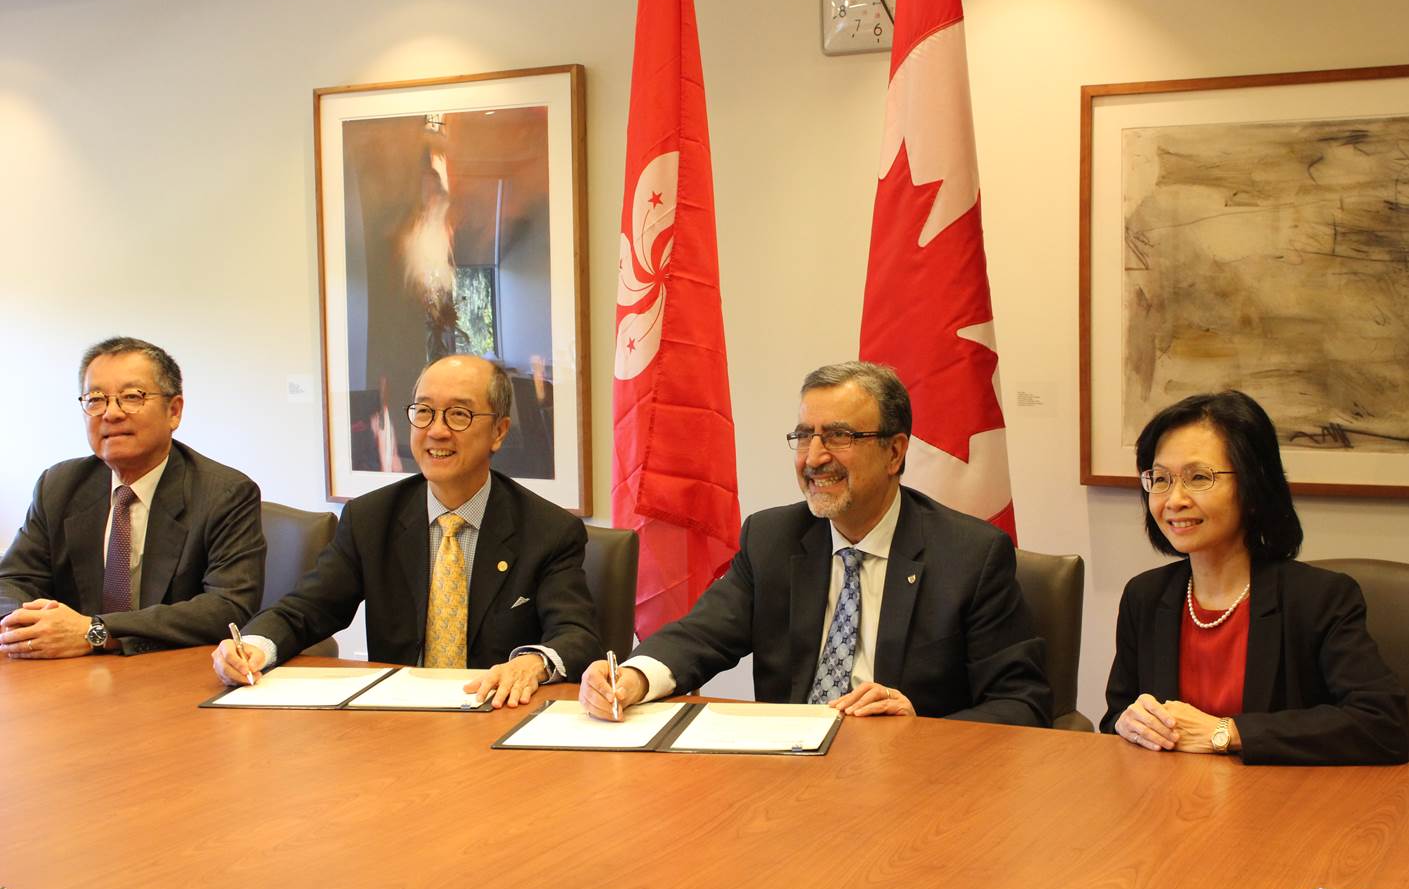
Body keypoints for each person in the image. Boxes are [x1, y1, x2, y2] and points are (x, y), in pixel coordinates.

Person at [578, 361, 1052, 725]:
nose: (814, 458)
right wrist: (633, 677)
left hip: (911, 783)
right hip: (788, 776)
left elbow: (1022, 702)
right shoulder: (772, 538)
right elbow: (701, 635)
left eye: (839, 436)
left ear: (894, 452)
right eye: (805, 437)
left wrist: (919, 726)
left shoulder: (970, 556)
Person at [211, 355, 600, 708]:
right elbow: (307, 609)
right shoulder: (371, 518)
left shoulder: (548, 530)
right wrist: (254, 646)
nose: (437, 431)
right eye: (424, 412)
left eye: (459, 415)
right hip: (397, 718)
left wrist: (532, 664)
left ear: (499, 432)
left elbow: (576, 634)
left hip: (494, 713)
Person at [1103, 390, 1408, 765]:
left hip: (1281, 797)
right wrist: (1129, 723)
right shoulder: (1145, 596)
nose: (1174, 499)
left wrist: (1226, 733)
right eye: (1161, 479)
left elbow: (1382, 724)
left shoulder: (1320, 599)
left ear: (1252, 486)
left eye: (1198, 477)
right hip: (1170, 796)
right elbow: (1116, 716)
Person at [0, 337, 265, 657]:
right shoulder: (58, 486)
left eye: (131, 397)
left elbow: (227, 608)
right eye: (96, 399)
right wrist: (26, 624)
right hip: (70, 670)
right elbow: (12, 581)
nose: (111, 413)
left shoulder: (224, 493)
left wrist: (96, 631)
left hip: (168, 669)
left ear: (174, 411)